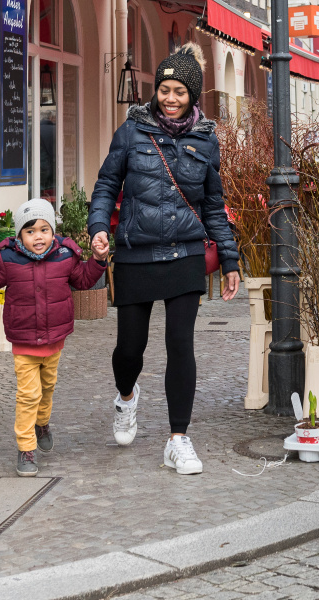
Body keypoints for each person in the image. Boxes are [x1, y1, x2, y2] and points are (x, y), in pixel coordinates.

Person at [88, 43, 241, 475]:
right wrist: (98, 228)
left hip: (186, 253)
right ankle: (126, 397)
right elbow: (105, 186)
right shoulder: (130, 132)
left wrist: (229, 260)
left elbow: (214, 204)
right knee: (129, 350)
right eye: (164, 90)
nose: (170, 99)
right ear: (155, 91)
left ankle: (178, 439)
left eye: (179, 92)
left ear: (193, 96)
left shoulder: (205, 140)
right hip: (137, 253)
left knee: (181, 344)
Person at [0, 199, 108, 476]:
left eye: (43, 229)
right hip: (24, 341)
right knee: (29, 394)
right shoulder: (8, 258)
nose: (38, 237)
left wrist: (98, 260)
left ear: (53, 231)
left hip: (55, 339)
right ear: (18, 235)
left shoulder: (65, 255)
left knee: (48, 387)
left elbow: (84, 280)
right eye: (30, 231)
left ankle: (42, 423)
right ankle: (26, 448)